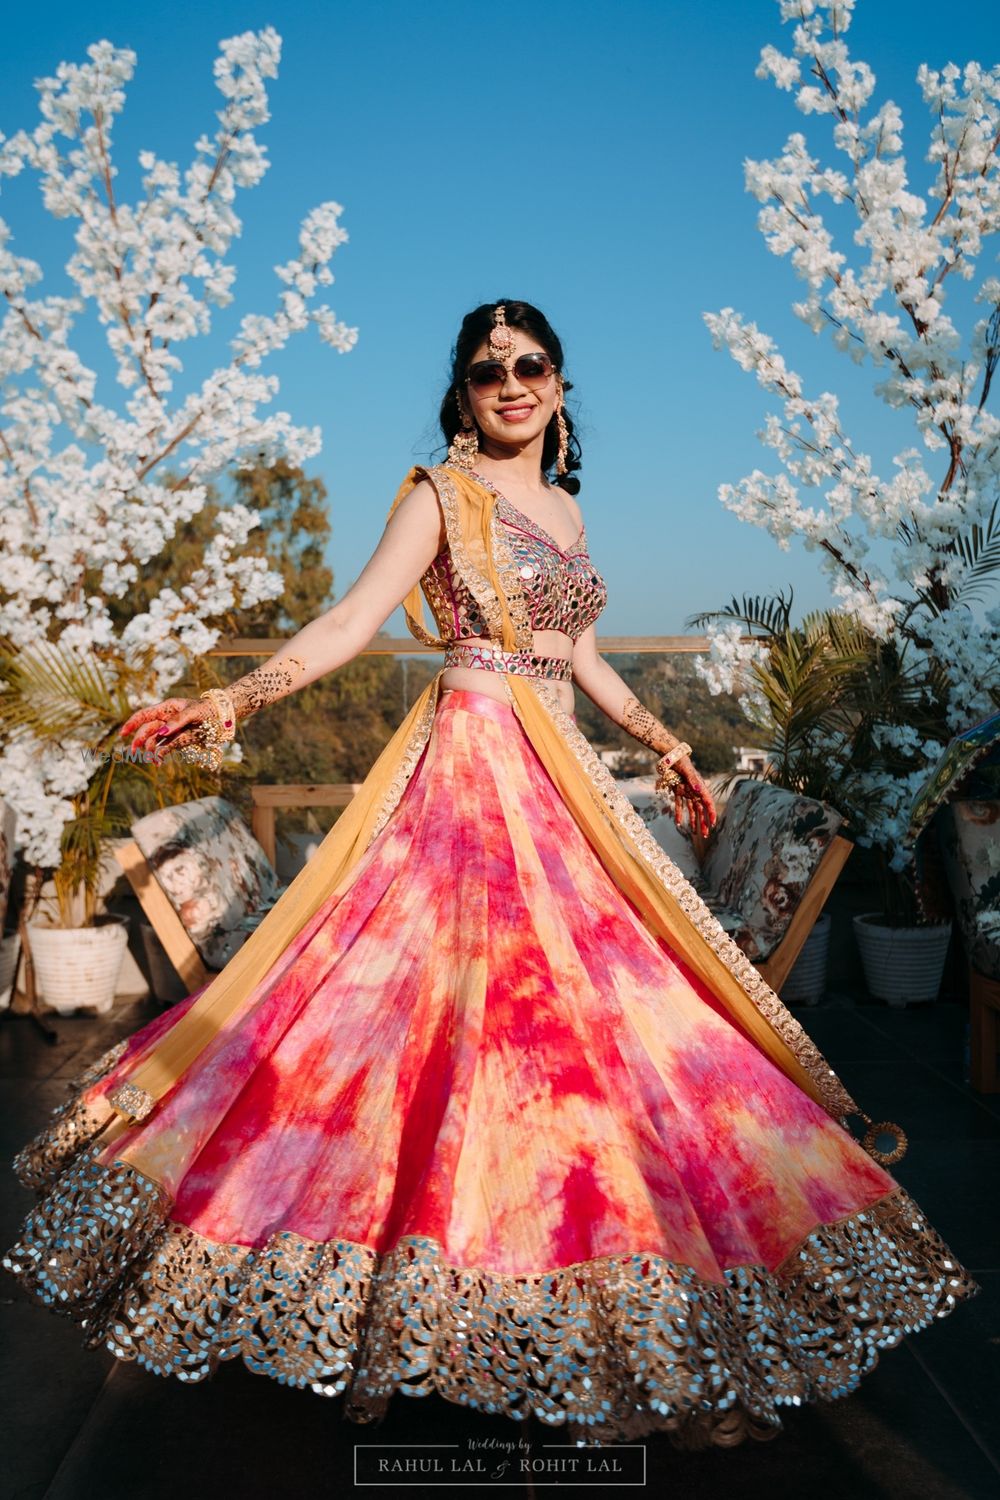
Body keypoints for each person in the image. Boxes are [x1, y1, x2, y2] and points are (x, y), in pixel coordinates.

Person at [3, 300, 979, 1449]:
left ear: (561, 385)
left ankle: (596, 1270)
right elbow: (355, 621)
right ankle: (424, 1279)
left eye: (531, 365)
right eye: (486, 370)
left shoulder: (564, 509)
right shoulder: (437, 495)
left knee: (592, 1024)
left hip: (561, 779)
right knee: (442, 1022)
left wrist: (668, 748)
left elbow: (576, 658)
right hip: (469, 775)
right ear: (462, 391)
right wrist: (230, 698)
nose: (510, 383)